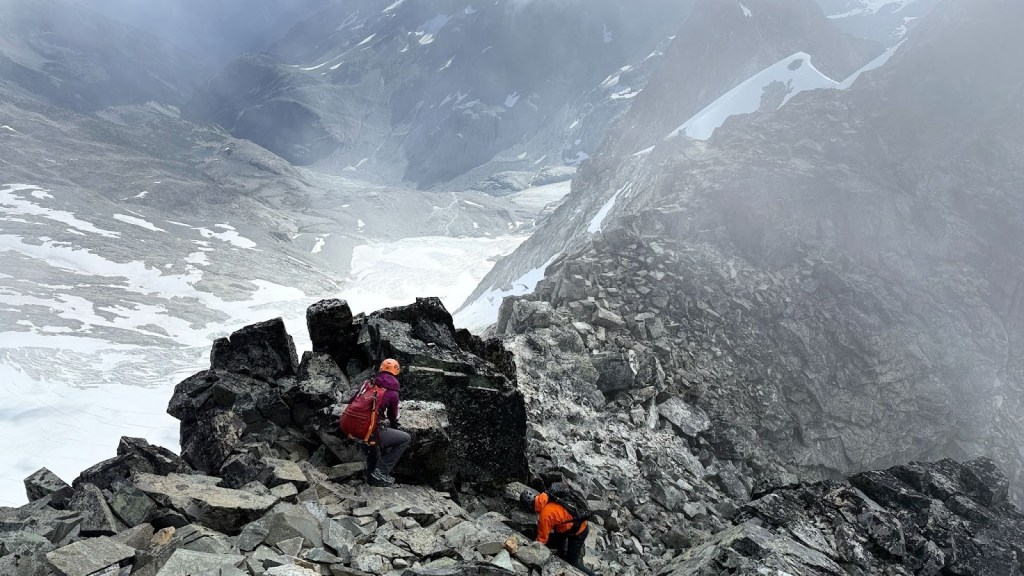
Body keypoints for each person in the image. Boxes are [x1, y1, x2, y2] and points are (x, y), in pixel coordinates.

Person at [520, 488, 598, 575]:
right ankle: (561, 554)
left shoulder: (544, 516)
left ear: (529, 506)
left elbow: (542, 540)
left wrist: (529, 550)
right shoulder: (546, 497)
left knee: (572, 562)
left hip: (579, 531)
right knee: (560, 544)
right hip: (573, 524)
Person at [363, 358, 410, 487]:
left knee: (373, 444)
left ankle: (369, 474)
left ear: (381, 369)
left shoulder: (369, 383)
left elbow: (352, 400)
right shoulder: (393, 393)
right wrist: (394, 427)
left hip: (353, 424)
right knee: (405, 438)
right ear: (396, 372)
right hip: (371, 429)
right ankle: (380, 473)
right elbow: (392, 416)